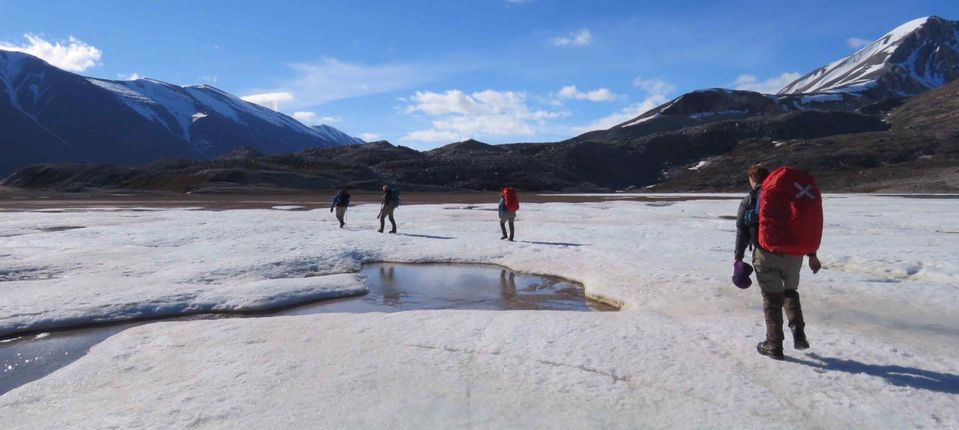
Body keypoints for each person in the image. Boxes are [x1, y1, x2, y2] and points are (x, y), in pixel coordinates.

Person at [735, 164, 822, 360]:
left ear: (752, 179)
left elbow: (742, 230)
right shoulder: (788, 195)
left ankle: (774, 345)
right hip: (794, 254)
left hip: (766, 253)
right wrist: (812, 254)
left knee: (772, 299)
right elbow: (803, 224)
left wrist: (738, 258)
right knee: (790, 292)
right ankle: (798, 332)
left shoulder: (751, 199)